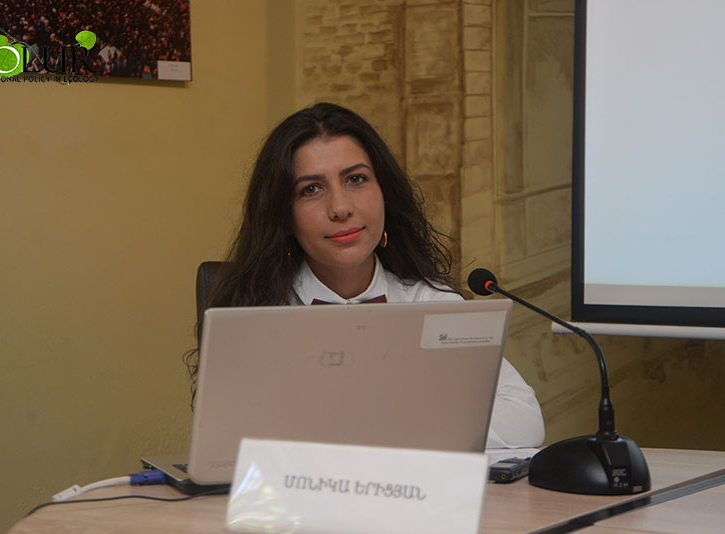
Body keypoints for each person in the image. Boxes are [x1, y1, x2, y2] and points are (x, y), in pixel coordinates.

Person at [195, 102, 544, 449]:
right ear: (284, 216)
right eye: (311, 189)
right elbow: (225, 441)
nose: (340, 208)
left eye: (356, 179)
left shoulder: (431, 304)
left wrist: (365, 419)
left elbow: (524, 423)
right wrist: (424, 415)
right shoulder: (255, 313)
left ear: (384, 193)